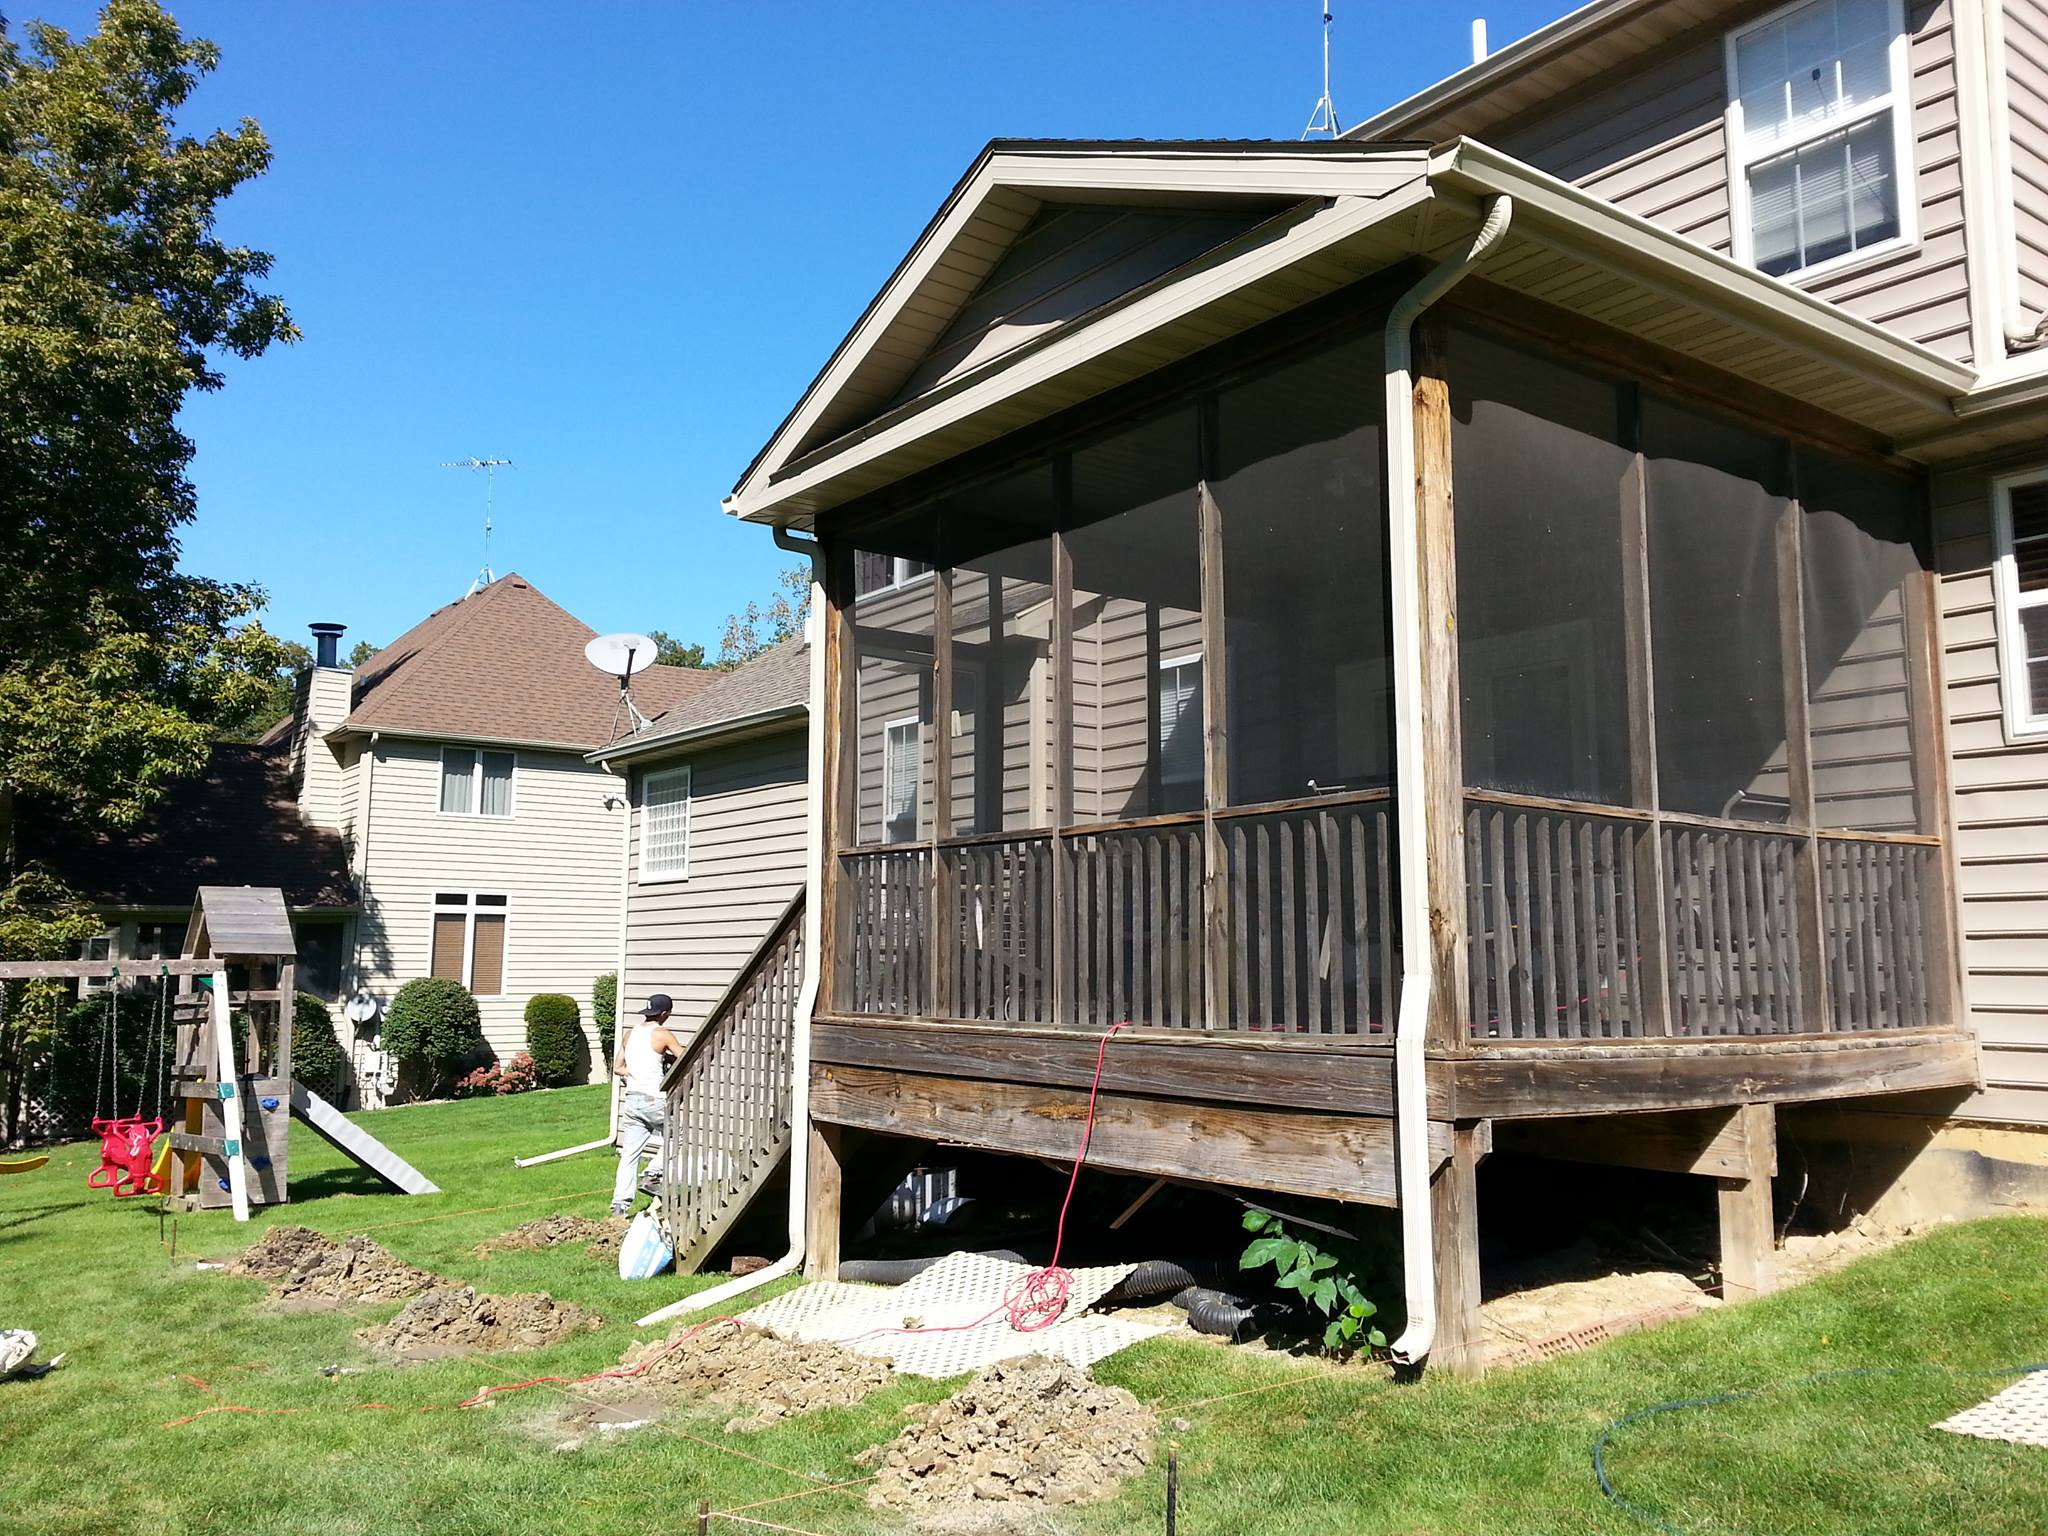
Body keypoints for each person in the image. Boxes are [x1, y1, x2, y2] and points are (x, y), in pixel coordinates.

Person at [612, 994, 679, 1217]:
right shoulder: (662, 1034)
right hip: (654, 1099)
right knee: (679, 1136)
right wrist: (668, 1059)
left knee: (630, 1155)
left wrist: (635, 1073)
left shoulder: (630, 1034)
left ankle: (620, 1206)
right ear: (664, 1013)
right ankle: (653, 1173)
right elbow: (684, 1057)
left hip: (632, 1100)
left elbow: (618, 1067)